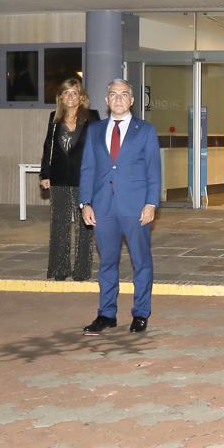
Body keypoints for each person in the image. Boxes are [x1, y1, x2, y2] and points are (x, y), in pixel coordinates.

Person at [79, 79, 161, 335]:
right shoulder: (94, 130)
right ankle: (106, 314)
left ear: (132, 100)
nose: (118, 99)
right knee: (107, 263)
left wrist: (151, 203)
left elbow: (153, 170)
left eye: (123, 94)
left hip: (135, 207)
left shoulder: (145, 130)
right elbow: (88, 168)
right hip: (103, 207)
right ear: (106, 100)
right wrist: (85, 202)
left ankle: (140, 313)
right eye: (113, 95)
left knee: (141, 262)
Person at [39, 78, 100, 281]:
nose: (70, 97)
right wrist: (45, 174)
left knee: (85, 226)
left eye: (74, 92)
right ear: (61, 98)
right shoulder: (54, 119)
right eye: (66, 93)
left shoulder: (92, 117)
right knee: (59, 225)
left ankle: (82, 271)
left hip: (85, 179)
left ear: (82, 97)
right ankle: (59, 269)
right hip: (60, 178)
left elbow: (100, 149)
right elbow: (49, 148)